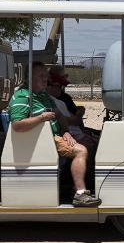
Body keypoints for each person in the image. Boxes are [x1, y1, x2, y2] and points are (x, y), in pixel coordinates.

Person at [9, 62, 100, 207]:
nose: (45, 79)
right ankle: (80, 193)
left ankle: (73, 188)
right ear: (28, 78)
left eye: (46, 76)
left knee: (87, 146)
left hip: (53, 138)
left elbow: (58, 114)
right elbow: (17, 125)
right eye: (41, 76)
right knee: (81, 151)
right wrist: (41, 118)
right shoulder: (22, 97)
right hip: (39, 141)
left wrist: (66, 132)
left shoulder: (43, 95)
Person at [47, 71, 98, 152]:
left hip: (75, 132)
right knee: (95, 145)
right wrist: (79, 112)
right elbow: (74, 120)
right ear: (49, 86)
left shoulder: (61, 99)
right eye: (58, 86)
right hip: (73, 135)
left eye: (62, 86)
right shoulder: (56, 102)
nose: (61, 89)